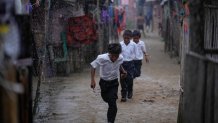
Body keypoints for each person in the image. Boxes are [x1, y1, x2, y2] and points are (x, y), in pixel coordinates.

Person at [90, 43, 127, 123]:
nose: (114, 58)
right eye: (112, 56)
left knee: (113, 104)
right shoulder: (101, 58)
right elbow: (93, 66)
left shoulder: (120, 58)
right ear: (109, 53)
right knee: (106, 99)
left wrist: (123, 71)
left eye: (116, 56)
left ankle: (110, 121)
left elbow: (119, 64)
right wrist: (92, 80)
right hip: (104, 83)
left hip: (114, 83)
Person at [119, 30, 138, 102]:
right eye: (125, 38)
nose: (126, 40)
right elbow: (118, 55)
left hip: (130, 63)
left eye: (128, 38)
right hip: (122, 64)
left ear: (130, 38)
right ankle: (123, 95)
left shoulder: (134, 45)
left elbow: (135, 54)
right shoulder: (120, 44)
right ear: (123, 37)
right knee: (122, 79)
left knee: (130, 78)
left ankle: (130, 90)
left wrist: (134, 63)